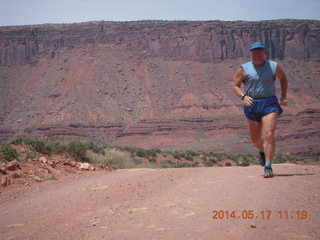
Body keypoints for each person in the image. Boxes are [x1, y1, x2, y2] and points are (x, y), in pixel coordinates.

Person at [232, 42, 288, 178]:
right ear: (250, 53)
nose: (256, 54)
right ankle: (262, 150)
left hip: (269, 103)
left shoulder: (274, 66)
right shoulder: (243, 69)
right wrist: (243, 97)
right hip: (252, 104)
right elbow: (235, 86)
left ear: (264, 53)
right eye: (253, 52)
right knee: (256, 141)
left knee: (269, 133)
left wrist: (283, 96)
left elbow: (283, 79)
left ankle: (268, 166)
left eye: (259, 51)